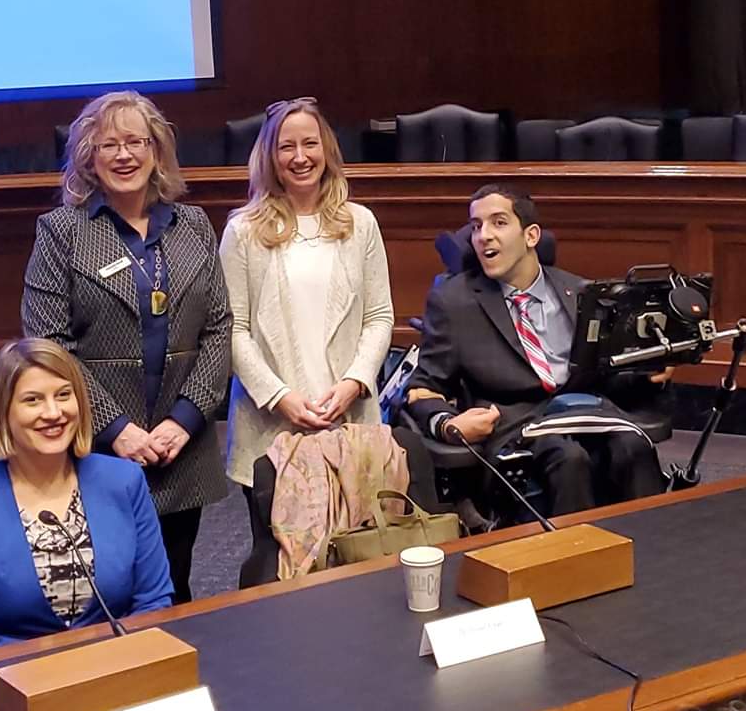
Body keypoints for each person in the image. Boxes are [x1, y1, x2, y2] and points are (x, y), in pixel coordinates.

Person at [22, 91, 230, 603]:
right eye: (108, 144)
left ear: (156, 150)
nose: (124, 155)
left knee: (175, 585)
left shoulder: (194, 225)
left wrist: (184, 421)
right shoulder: (62, 233)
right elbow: (50, 345)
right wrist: (117, 431)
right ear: (88, 158)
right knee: (106, 590)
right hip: (99, 449)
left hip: (182, 448)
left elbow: (220, 328)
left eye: (135, 141)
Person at [406, 184, 669, 520]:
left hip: (585, 412)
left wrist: (649, 372)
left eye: (498, 223)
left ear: (531, 236)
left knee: (631, 446)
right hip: (518, 427)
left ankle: (656, 556)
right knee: (566, 458)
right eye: (476, 226)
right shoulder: (455, 303)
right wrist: (447, 423)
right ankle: (571, 567)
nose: (483, 236)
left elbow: (607, 376)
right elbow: (422, 387)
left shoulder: (582, 292)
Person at [0, 339, 173, 661]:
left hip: (114, 675)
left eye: (64, 395)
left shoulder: (124, 482)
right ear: (3, 413)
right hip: (5, 688)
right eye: (33, 400)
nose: (53, 413)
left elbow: (154, 604)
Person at [219, 96, 394, 494]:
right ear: (270, 156)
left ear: (326, 149)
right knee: (276, 552)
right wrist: (281, 397)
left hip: (349, 420)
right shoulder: (243, 232)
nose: (300, 157)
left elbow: (379, 317)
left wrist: (354, 382)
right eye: (286, 146)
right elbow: (232, 329)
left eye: (310, 144)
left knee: (358, 550)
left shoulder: (360, 223)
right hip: (271, 427)